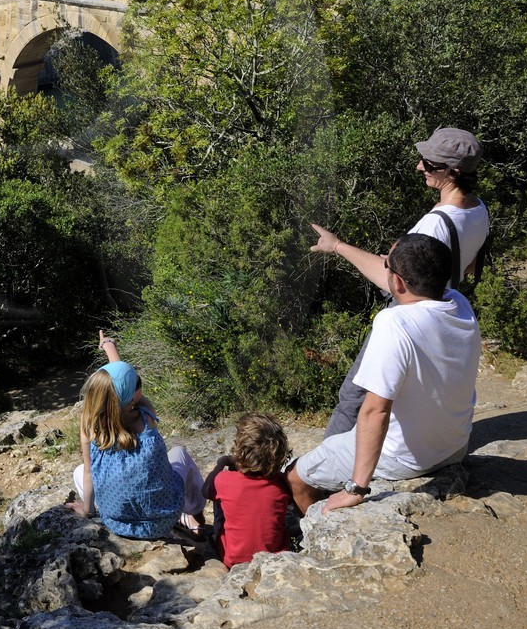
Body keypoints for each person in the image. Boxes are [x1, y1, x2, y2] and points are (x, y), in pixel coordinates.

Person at [311, 127, 490, 438]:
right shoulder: (478, 209)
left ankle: (328, 465)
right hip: (444, 313)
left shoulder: (434, 224)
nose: (420, 167)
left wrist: (337, 246)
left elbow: (390, 281)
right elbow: (467, 262)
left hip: (412, 314)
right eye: (423, 159)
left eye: (431, 164)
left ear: (456, 172)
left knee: (354, 397)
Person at [286, 233, 481, 515]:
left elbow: (375, 412)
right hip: (453, 448)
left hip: (405, 458)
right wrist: (338, 246)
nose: (381, 264)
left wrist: (356, 488)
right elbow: (401, 282)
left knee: (296, 476)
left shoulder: (394, 323)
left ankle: (315, 529)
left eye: (386, 263)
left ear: (398, 282)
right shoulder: (459, 304)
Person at [68, 331, 205, 539]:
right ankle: (192, 513)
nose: (139, 383)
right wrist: (110, 347)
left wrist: (87, 510)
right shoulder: (146, 414)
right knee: (179, 453)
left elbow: (89, 473)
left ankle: (99, 505)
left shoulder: (89, 425)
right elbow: (123, 384)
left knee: (82, 470)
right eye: (138, 383)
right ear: (132, 397)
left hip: (119, 524)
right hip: (163, 520)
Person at [201, 413, 293, 567]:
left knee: (219, 499)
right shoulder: (281, 482)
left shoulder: (224, 480)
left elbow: (205, 490)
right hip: (275, 556)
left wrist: (221, 463)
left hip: (233, 558)